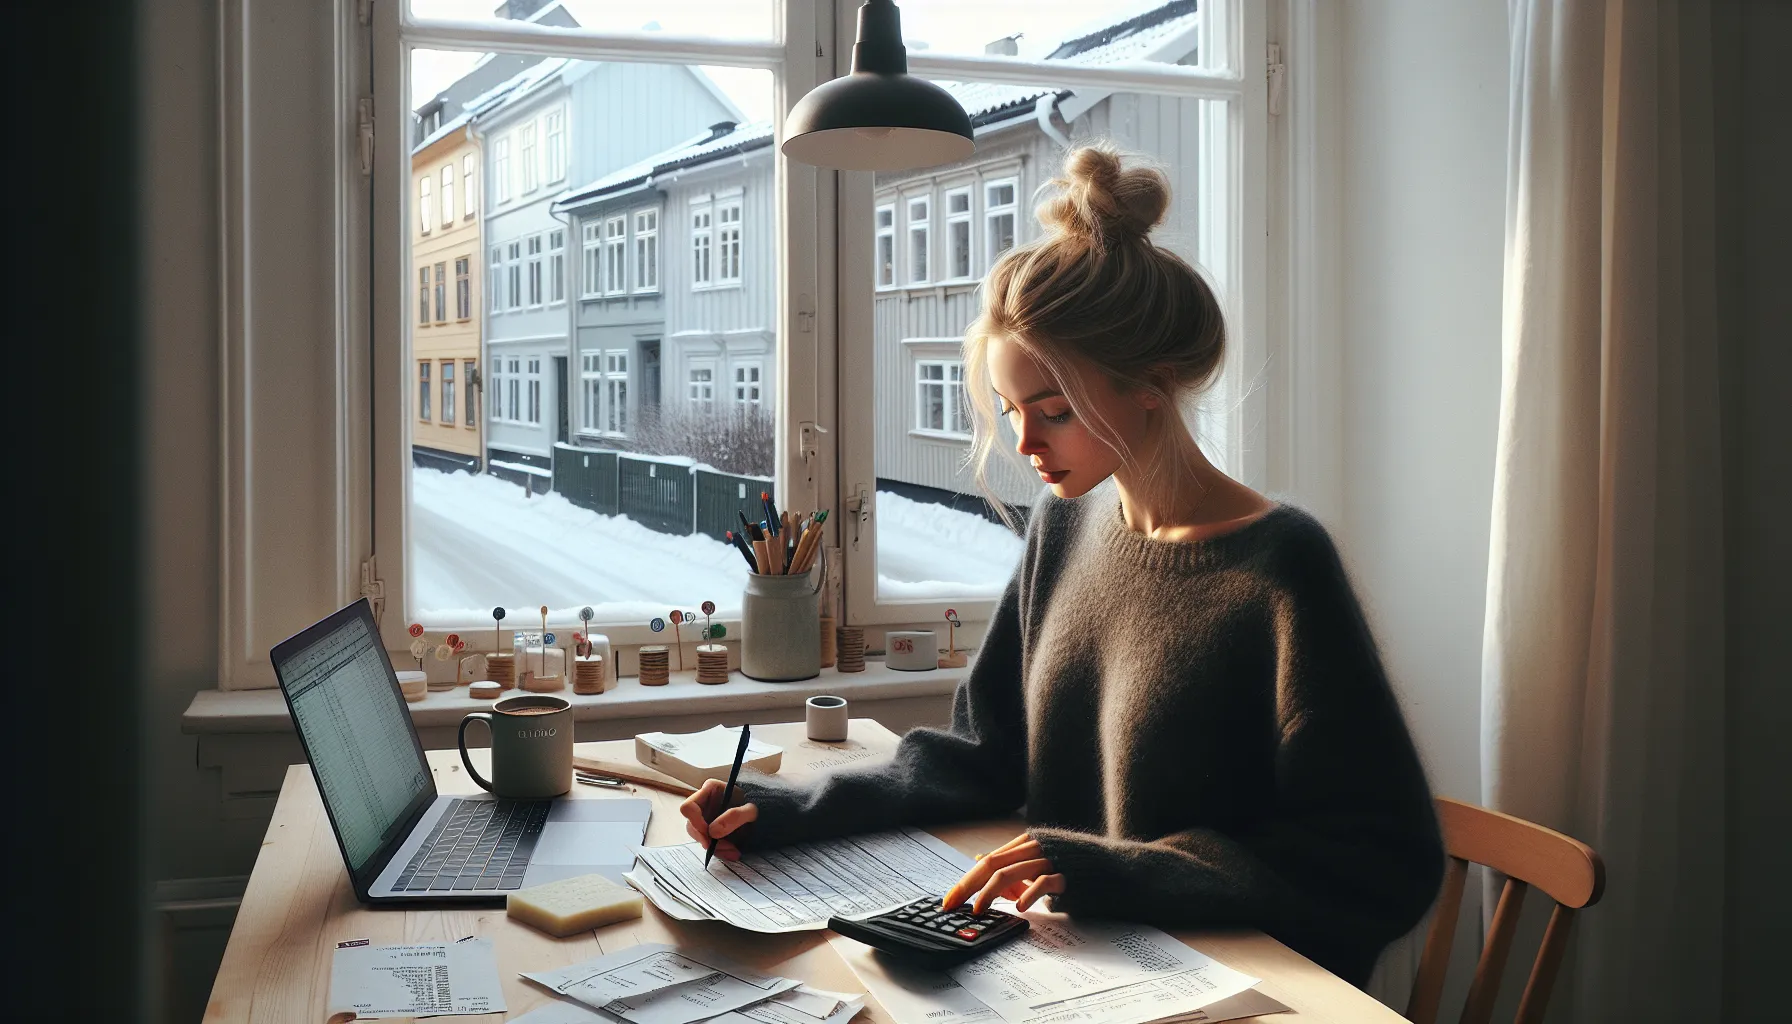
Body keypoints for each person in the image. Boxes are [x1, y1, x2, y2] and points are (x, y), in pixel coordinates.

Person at [681, 144, 1445, 986]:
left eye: (1053, 410)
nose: (1024, 443)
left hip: (1229, 987)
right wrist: (787, 811)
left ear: (1151, 384)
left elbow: (1381, 859)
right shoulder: (1067, 524)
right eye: (1011, 410)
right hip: (1069, 966)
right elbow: (982, 753)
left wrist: (1114, 871)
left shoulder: (1280, 569)